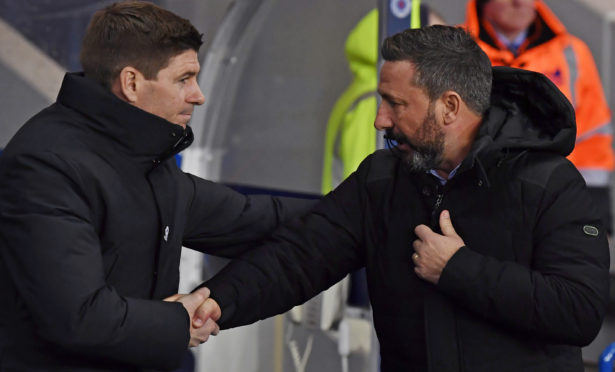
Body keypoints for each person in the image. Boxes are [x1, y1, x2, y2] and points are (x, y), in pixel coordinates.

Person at [193, 25, 610, 371]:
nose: (380, 120)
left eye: (396, 104)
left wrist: (459, 269)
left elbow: (578, 309)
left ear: (449, 107)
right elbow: (299, 258)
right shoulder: (381, 179)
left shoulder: (548, 183)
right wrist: (216, 303)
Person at [0, 1, 312, 371]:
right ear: (132, 83)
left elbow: (251, 219)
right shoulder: (47, 168)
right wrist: (180, 323)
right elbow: (79, 317)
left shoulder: (147, 164)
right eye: (183, 79)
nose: (198, 95)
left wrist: (365, 208)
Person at [464, 0, 615, 233]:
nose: (519, 2)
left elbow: (593, 133)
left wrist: (594, 203)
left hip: (556, 204)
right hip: (475, 203)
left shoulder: (572, 53)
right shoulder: (456, 51)